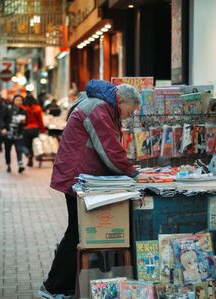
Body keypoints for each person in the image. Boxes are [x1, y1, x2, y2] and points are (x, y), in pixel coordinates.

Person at [38, 80, 141, 298]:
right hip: (77, 176)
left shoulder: (104, 107)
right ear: (120, 101)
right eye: (129, 111)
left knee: (77, 232)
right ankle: (52, 286)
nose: (128, 116)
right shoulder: (99, 108)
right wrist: (132, 172)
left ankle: (62, 287)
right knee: (77, 232)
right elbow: (109, 149)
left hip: (81, 176)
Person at [0, 95, 28, 173]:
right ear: (14, 101)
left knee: (19, 149)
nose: (19, 102)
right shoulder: (8, 109)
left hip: (18, 134)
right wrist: (3, 128)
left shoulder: (23, 111)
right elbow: (2, 119)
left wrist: (24, 123)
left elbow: (26, 123)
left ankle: (20, 164)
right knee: (7, 150)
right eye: (17, 100)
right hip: (8, 134)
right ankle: (8, 164)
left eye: (20, 100)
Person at [22, 92, 46, 167]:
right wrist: (43, 129)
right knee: (34, 144)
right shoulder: (38, 108)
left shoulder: (23, 109)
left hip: (26, 129)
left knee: (26, 145)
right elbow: (40, 121)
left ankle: (29, 156)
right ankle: (32, 157)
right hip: (35, 129)